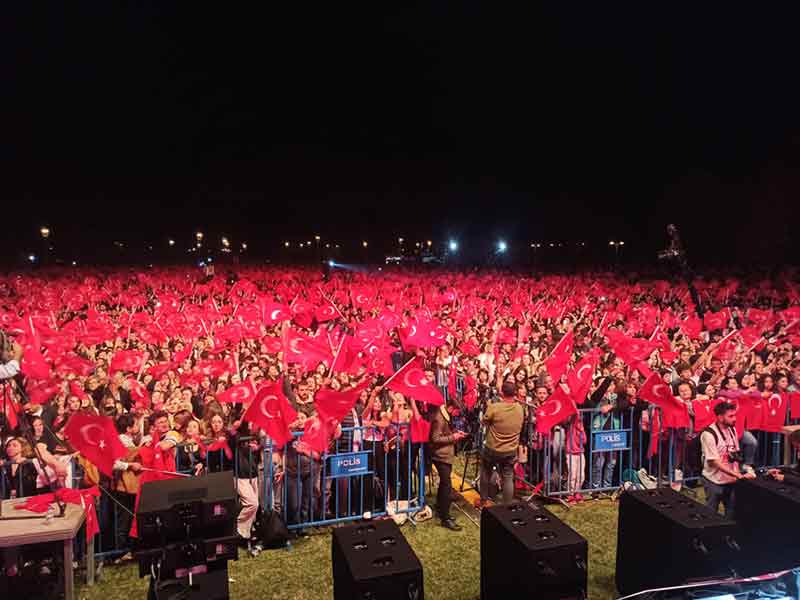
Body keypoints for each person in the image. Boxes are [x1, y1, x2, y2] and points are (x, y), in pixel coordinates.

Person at [700, 401, 755, 518]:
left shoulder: (732, 430)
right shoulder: (708, 434)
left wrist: (745, 470)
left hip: (731, 480)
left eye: (735, 415)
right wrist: (736, 474)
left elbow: (735, 454)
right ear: (720, 417)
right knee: (710, 515)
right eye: (730, 416)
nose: (734, 419)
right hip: (714, 480)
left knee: (731, 514)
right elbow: (714, 461)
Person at [478, 378, 524, 506]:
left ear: (502, 393)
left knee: (485, 472)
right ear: (515, 393)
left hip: (493, 448)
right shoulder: (520, 409)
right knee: (508, 476)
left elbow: (484, 422)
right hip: (510, 450)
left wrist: (488, 407)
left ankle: (483, 500)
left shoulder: (495, 408)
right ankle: (507, 505)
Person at [429, 399, 467, 531]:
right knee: (447, 485)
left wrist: (454, 433)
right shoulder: (439, 418)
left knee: (445, 484)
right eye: (457, 411)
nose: (457, 414)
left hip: (444, 455)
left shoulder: (445, 415)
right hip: (440, 456)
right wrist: (453, 437)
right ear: (451, 408)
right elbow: (435, 438)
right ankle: (445, 518)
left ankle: (440, 507)